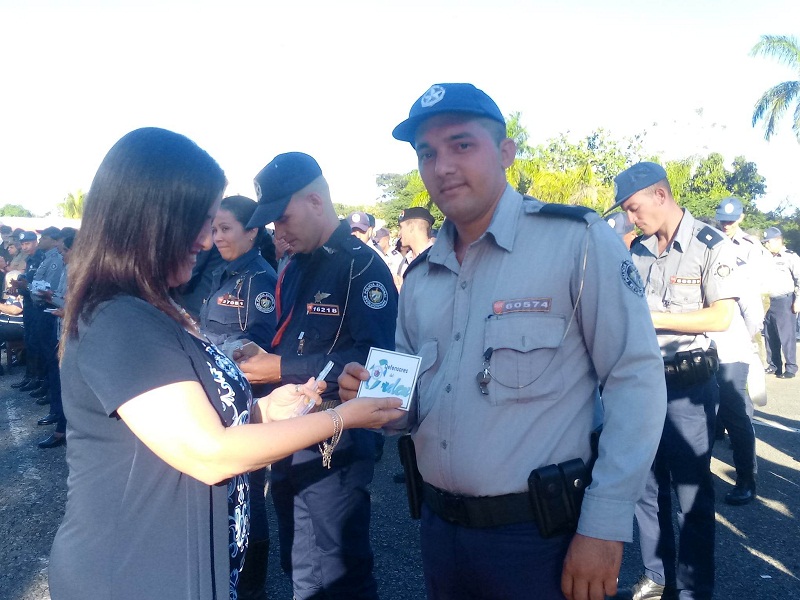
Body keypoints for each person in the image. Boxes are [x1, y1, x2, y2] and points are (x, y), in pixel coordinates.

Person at [339, 82, 666, 600]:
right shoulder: (422, 275)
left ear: (506, 152)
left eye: (462, 144)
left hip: (540, 539)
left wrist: (604, 524)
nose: (442, 165)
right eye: (428, 153)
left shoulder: (576, 241)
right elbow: (408, 405)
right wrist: (372, 401)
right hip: (440, 532)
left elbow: (636, 379)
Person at [47, 127, 404, 600]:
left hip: (188, 554)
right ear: (152, 220)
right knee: (307, 568)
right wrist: (338, 414)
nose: (206, 240)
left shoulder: (356, 266)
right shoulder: (121, 319)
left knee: (334, 571)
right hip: (135, 571)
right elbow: (209, 451)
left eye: (214, 224)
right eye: (200, 222)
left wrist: (266, 408)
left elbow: (199, 415)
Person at [236, 151, 398, 600]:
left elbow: (374, 360)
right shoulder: (299, 264)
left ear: (315, 200)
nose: (279, 233)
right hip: (292, 429)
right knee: (299, 562)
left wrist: (280, 367)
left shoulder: (362, 268)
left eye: (283, 219)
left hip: (338, 440)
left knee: (339, 568)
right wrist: (264, 356)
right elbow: (296, 339)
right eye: (272, 224)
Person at [613, 162, 739, 600]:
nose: (632, 218)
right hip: (643, 386)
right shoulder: (637, 250)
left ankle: (693, 586)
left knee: (691, 494)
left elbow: (721, 316)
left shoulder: (709, 245)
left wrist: (656, 320)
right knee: (645, 488)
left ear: (660, 196)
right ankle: (656, 573)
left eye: (634, 208)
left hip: (689, 386)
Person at [199, 194, 279, 600]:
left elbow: (259, 349)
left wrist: (211, 347)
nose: (217, 237)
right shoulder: (224, 275)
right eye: (214, 229)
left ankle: (252, 586)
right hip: (218, 403)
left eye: (226, 228)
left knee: (251, 501)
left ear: (252, 231)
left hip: (247, 405)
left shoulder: (260, 280)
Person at [710, 197, 765, 505]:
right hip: (705, 343)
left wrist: (742, 336)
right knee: (702, 410)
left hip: (732, 344)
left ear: (741, 218)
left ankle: (746, 477)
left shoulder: (746, 252)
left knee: (734, 411)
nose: (726, 224)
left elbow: (752, 309)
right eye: (722, 219)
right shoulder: (707, 245)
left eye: (731, 219)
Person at [36, 232, 76, 449]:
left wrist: (66, 311)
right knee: (60, 379)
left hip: (72, 334)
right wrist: (52, 297)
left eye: (64, 251)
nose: (61, 256)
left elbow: (82, 306)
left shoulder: (82, 272)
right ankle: (62, 423)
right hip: (63, 331)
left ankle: (63, 429)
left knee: (66, 383)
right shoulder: (69, 269)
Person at [9, 231, 46, 392]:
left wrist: (25, 286)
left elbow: (41, 284)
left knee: (37, 342)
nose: (25, 247)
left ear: (35, 242)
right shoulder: (29, 260)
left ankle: (38, 378)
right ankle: (29, 376)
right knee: (29, 340)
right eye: (23, 244)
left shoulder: (41, 258)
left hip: (39, 306)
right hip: (29, 305)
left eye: (28, 243)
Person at [761, 226, 800, 379]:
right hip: (768, 301)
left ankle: (790, 367)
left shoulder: (790, 257)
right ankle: (773, 365)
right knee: (770, 335)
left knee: (787, 336)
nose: (766, 245)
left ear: (777, 241)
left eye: (768, 242)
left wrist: (798, 300)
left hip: (785, 301)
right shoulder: (765, 257)